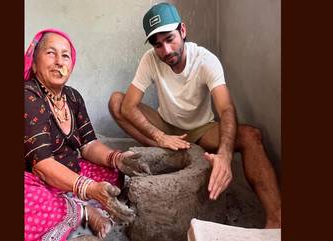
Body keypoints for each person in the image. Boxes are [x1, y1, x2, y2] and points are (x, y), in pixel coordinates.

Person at [108, 2, 281, 228]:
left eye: (170, 39)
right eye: (158, 44)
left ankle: (277, 219)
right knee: (117, 101)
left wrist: (225, 156)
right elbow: (128, 106)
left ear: (183, 30)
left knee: (250, 136)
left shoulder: (205, 60)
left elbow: (226, 108)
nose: (166, 50)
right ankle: (167, 151)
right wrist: (159, 137)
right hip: (165, 125)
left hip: (201, 130)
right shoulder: (151, 59)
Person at [24, 29, 149, 241]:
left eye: (65, 55)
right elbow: (42, 165)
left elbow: (89, 145)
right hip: (34, 181)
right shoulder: (28, 95)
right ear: (34, 63)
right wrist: (88, 188)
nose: (58, 61)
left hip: (68, 173)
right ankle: (81, 212)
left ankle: (71, 204)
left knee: (114, 173)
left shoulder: (72, 97)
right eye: (50, 53)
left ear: (71, 66)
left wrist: (116, 158)